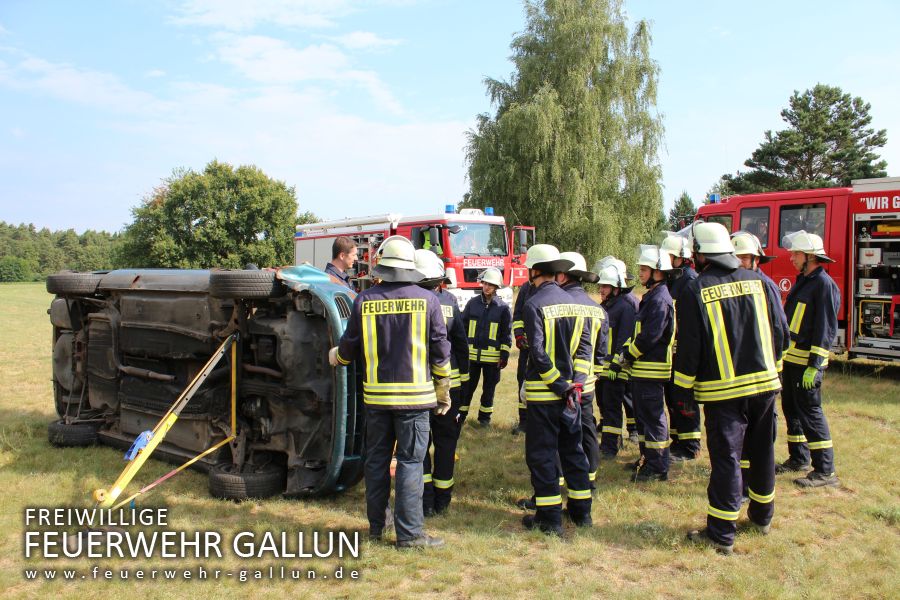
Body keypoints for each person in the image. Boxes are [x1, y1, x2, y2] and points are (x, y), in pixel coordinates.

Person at [329, 235, 452, 548]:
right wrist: (443, 392)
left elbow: (348, 350)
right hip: (416, 401)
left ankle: (376, 528)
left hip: (377, 401)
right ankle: (410, 536)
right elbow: (440, 352)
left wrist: (336, 356)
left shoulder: (364, 301)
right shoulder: (429, 301)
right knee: (411, 463)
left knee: (376, 462)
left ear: (382, 266)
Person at [674, 221, 785, 555]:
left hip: (724, 394)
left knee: (727, 459)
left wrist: (682, 390)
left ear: (699, 254)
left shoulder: (696, 289)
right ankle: (762, 518)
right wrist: (773, 367)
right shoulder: (759, 281)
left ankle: (721, 534)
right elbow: (779, 330)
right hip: (766, 387)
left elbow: (690, 346)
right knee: (763, 451)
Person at [520, 244, 593, 535]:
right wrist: (575, 384)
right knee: (573, 451)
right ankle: (581, 513)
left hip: (544, 395)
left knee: (543, 454)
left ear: (535, 271)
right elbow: (585, 350)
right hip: (573, 396)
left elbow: (536, 353)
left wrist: (558, 384)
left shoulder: (532, 304)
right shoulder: (579, 304)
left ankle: (549, 520)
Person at [778, 231, 841, 488]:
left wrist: (815, 366)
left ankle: (825, 470)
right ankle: (798, 458)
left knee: (811, 412)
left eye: (796, 253)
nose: (791, 257)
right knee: (791, 410)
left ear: (810, 257)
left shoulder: (824, 285)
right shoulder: (804, 280)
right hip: (793, 361)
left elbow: (825, 328)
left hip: (806, 364)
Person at [732, 231, 790, 500]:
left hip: (763, 375)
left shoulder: (765, 286)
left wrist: (773, 364)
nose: (741, 262)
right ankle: (743, 486)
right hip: (740, 375)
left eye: (745, 257)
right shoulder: (735, 284)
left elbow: (779, 331)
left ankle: (755, 490)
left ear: (756, 259)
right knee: (741, 438)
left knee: (760, 437)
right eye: (737, 257)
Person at [609, 246, 674, 482]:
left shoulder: (660, 300)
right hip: (642, 370)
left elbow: (650, 336)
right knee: (644, 418)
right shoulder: (651, 297)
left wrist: (628, 355)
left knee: (654, 419)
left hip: (652, 370)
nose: (641, 273)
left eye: (645, 269)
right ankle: (647, 459)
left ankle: (658, 467)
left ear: (658, 272)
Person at [413, 250, 469, 516]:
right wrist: (465, 386)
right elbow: (460, 344)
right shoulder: (449, 301)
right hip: (450, 384)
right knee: (447, 443)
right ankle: (443, 500)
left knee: (420, 444)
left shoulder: (410, 299)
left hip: (419, 385)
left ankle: (425, 501)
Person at [557, 252, 608, 489]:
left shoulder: (557, 305)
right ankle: (590, 480)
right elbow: (601, 352)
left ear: (563, 275)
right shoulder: (598, 309)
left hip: (562, 383)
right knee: (587, 428)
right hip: (587, 384)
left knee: (558, 433)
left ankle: (556, 482)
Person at [660, 232, 702, 461]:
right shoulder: (672, 279)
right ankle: (678, 440)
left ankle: (690, 445)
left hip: (684, 351)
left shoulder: (690, 280)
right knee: (673, 398)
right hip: (671, 351)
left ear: (680, 257)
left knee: (686, 399)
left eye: (669, 255)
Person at [594, 256, 639, 458]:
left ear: (616, 287)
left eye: (606, 286)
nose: (601, 290)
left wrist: (616, 365)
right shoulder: (608, 306)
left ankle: (610, 448)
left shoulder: (625, 306)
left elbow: (624, 340)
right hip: (603, 369)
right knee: (604, 405)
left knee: (612, 407)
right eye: (601, 286)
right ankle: (613, 441)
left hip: (616, 369)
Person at [460, 267, 511, 427]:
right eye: (485, 283)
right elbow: (462, 327)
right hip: (472, 357)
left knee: (489, 390)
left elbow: (506, 333)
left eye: (491, 284)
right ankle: (460, 417)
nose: (487, 287)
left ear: (497, 287)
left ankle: (484, 419)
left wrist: (504, 355)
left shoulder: (503, 308)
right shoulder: (472, 304)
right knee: (467, 388)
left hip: (492, 359)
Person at [511, 279, 536, 435]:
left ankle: (537, 421)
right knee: (522, 379)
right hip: (526, 346)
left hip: (544, 346)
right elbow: (518, 313)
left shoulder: (552, 287)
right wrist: (519, 335)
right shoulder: (526, 288)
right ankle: (524, 421)